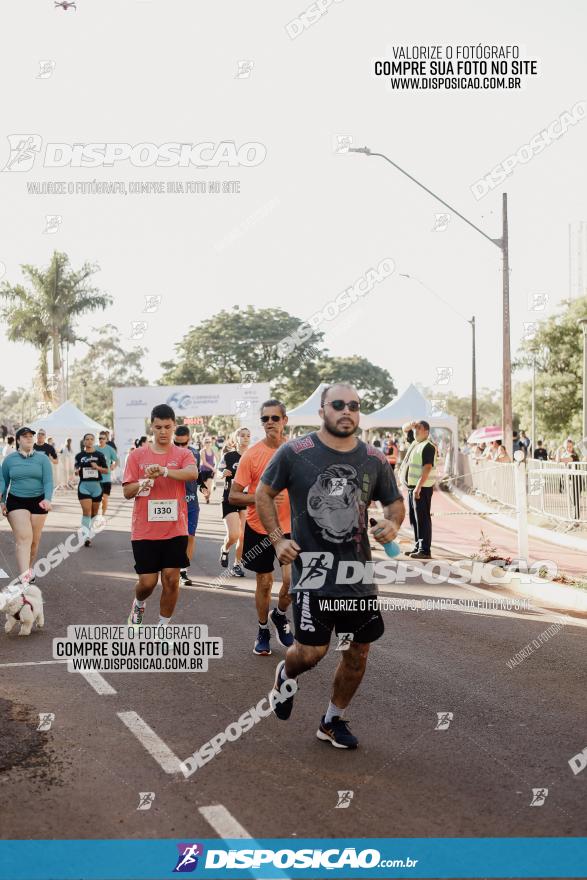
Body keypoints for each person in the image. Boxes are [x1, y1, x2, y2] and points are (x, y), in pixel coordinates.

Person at [256, 382, 404, 749]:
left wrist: (393, 523)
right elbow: (264, 493)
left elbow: (395, 503)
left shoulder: (373, 458)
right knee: (311, 652)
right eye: (338, 404)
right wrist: (278, 538)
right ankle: (285, 673)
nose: (347, 411)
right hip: (314, 569)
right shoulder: (296, 452)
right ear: (322, 410)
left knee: (357, 653)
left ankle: (331, 721)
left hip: (358, 573)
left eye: (354, 405)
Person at [229, 400, 293, 655]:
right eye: (265, 419)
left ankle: (279, 614)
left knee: (292, 581)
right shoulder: (252, 455)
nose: (269, 423)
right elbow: (234, 496)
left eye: (274, 418)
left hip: (289, 526)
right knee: (264, 583)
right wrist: (260, 497)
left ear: (284, 421)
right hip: (259, 528)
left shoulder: (295, 451)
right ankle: (263, 628)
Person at [123, 404, 197, 627]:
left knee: (171, 580)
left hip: (175, 529)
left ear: (174, 425)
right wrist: (146, 480)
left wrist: (165, 471)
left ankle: (163, 627)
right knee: (147, 583)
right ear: (151, 427)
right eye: (158, 427)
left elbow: (192, 473)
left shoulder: (183, 454)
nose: (163, 431)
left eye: (167, 427)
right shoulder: (137, 456)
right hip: (145, 530)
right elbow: (127, 492)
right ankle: (139, 603)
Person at [1, 427, 53, 585]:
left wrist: (48, 499)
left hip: (39, 501)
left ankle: (28, 569)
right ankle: (24, 579)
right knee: (24, 537)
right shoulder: (10, 460)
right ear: (18, 440)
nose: (29, 438)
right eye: (25, 436)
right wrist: (2, 501)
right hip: (16, 501)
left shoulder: (42, 459)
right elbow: (3, 481)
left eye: (31, 436)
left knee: (34, 541)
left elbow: (48, 481)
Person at [403, 420, 437, 559]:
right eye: (415, 429)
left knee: (422, 519)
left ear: (427, 432)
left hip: (421, 489)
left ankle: (424, 550)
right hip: (412, 488)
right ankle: (418, 546)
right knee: (414, 519)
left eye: (419, 429)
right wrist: (410, 425)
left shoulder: (428, 446)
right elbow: (404, 429)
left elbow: (427, 468)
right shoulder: (416, 443)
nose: (415, 431)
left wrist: (418, 487)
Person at [219, 427, 250, 576]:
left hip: (246, 498)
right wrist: (222, 473)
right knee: (234, 535)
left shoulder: (252, 456)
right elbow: (218, 470)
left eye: (248, 436)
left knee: (243, 535)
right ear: (236, 438)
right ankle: (225, 548)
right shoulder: (228, 456)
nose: (245, 438)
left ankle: (237, 565)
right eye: (242, 435)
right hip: (230, 498)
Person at [173, 424, 200, 586]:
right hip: (172, 502)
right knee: (175, 538)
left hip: (191, 501)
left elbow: (198, 475)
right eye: (177, 444)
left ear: (189, 440)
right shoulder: (167, 453)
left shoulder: (196, 453)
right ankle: (171, 568)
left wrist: (202, 485)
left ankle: (184, 571)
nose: (181, 447)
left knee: (190, 536)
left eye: (184, 444)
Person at [75, 433, 109, 547]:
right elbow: (76, 467)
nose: (89, 441)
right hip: (84, 486)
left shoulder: (99, 455)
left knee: (94, 513)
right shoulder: (79, 455)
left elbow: (106, 470)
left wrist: (97, 467)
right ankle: (86, 536)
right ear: (84, 441)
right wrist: (76, 470)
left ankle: (90, 532)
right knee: (86, 512)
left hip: (96, 486)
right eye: (87, 439)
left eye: (91, 439)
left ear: (93, 441)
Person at [96, 431, 118, 516]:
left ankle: (102, 515)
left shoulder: (110, 449)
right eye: (99, 438)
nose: (101, 440)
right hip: (95, 478)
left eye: (103, 438)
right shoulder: (94, 448)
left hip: (106, 478)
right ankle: (95, 515)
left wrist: (113, 466)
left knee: (104, 499)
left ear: (106, 439)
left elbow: (116, 460)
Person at [199, 438, 217, 503]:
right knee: (205, 487)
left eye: (209, 442)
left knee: (209, 486)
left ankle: (208, 498)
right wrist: (213, 468)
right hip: (203, 470)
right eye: (206, 442)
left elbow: (217, 459)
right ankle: (206, 497)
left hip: (210, 471)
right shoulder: (202, 451)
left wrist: (215, 467)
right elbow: (204, 462)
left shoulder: (213, 450)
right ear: (204, 443)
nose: (208, 443)